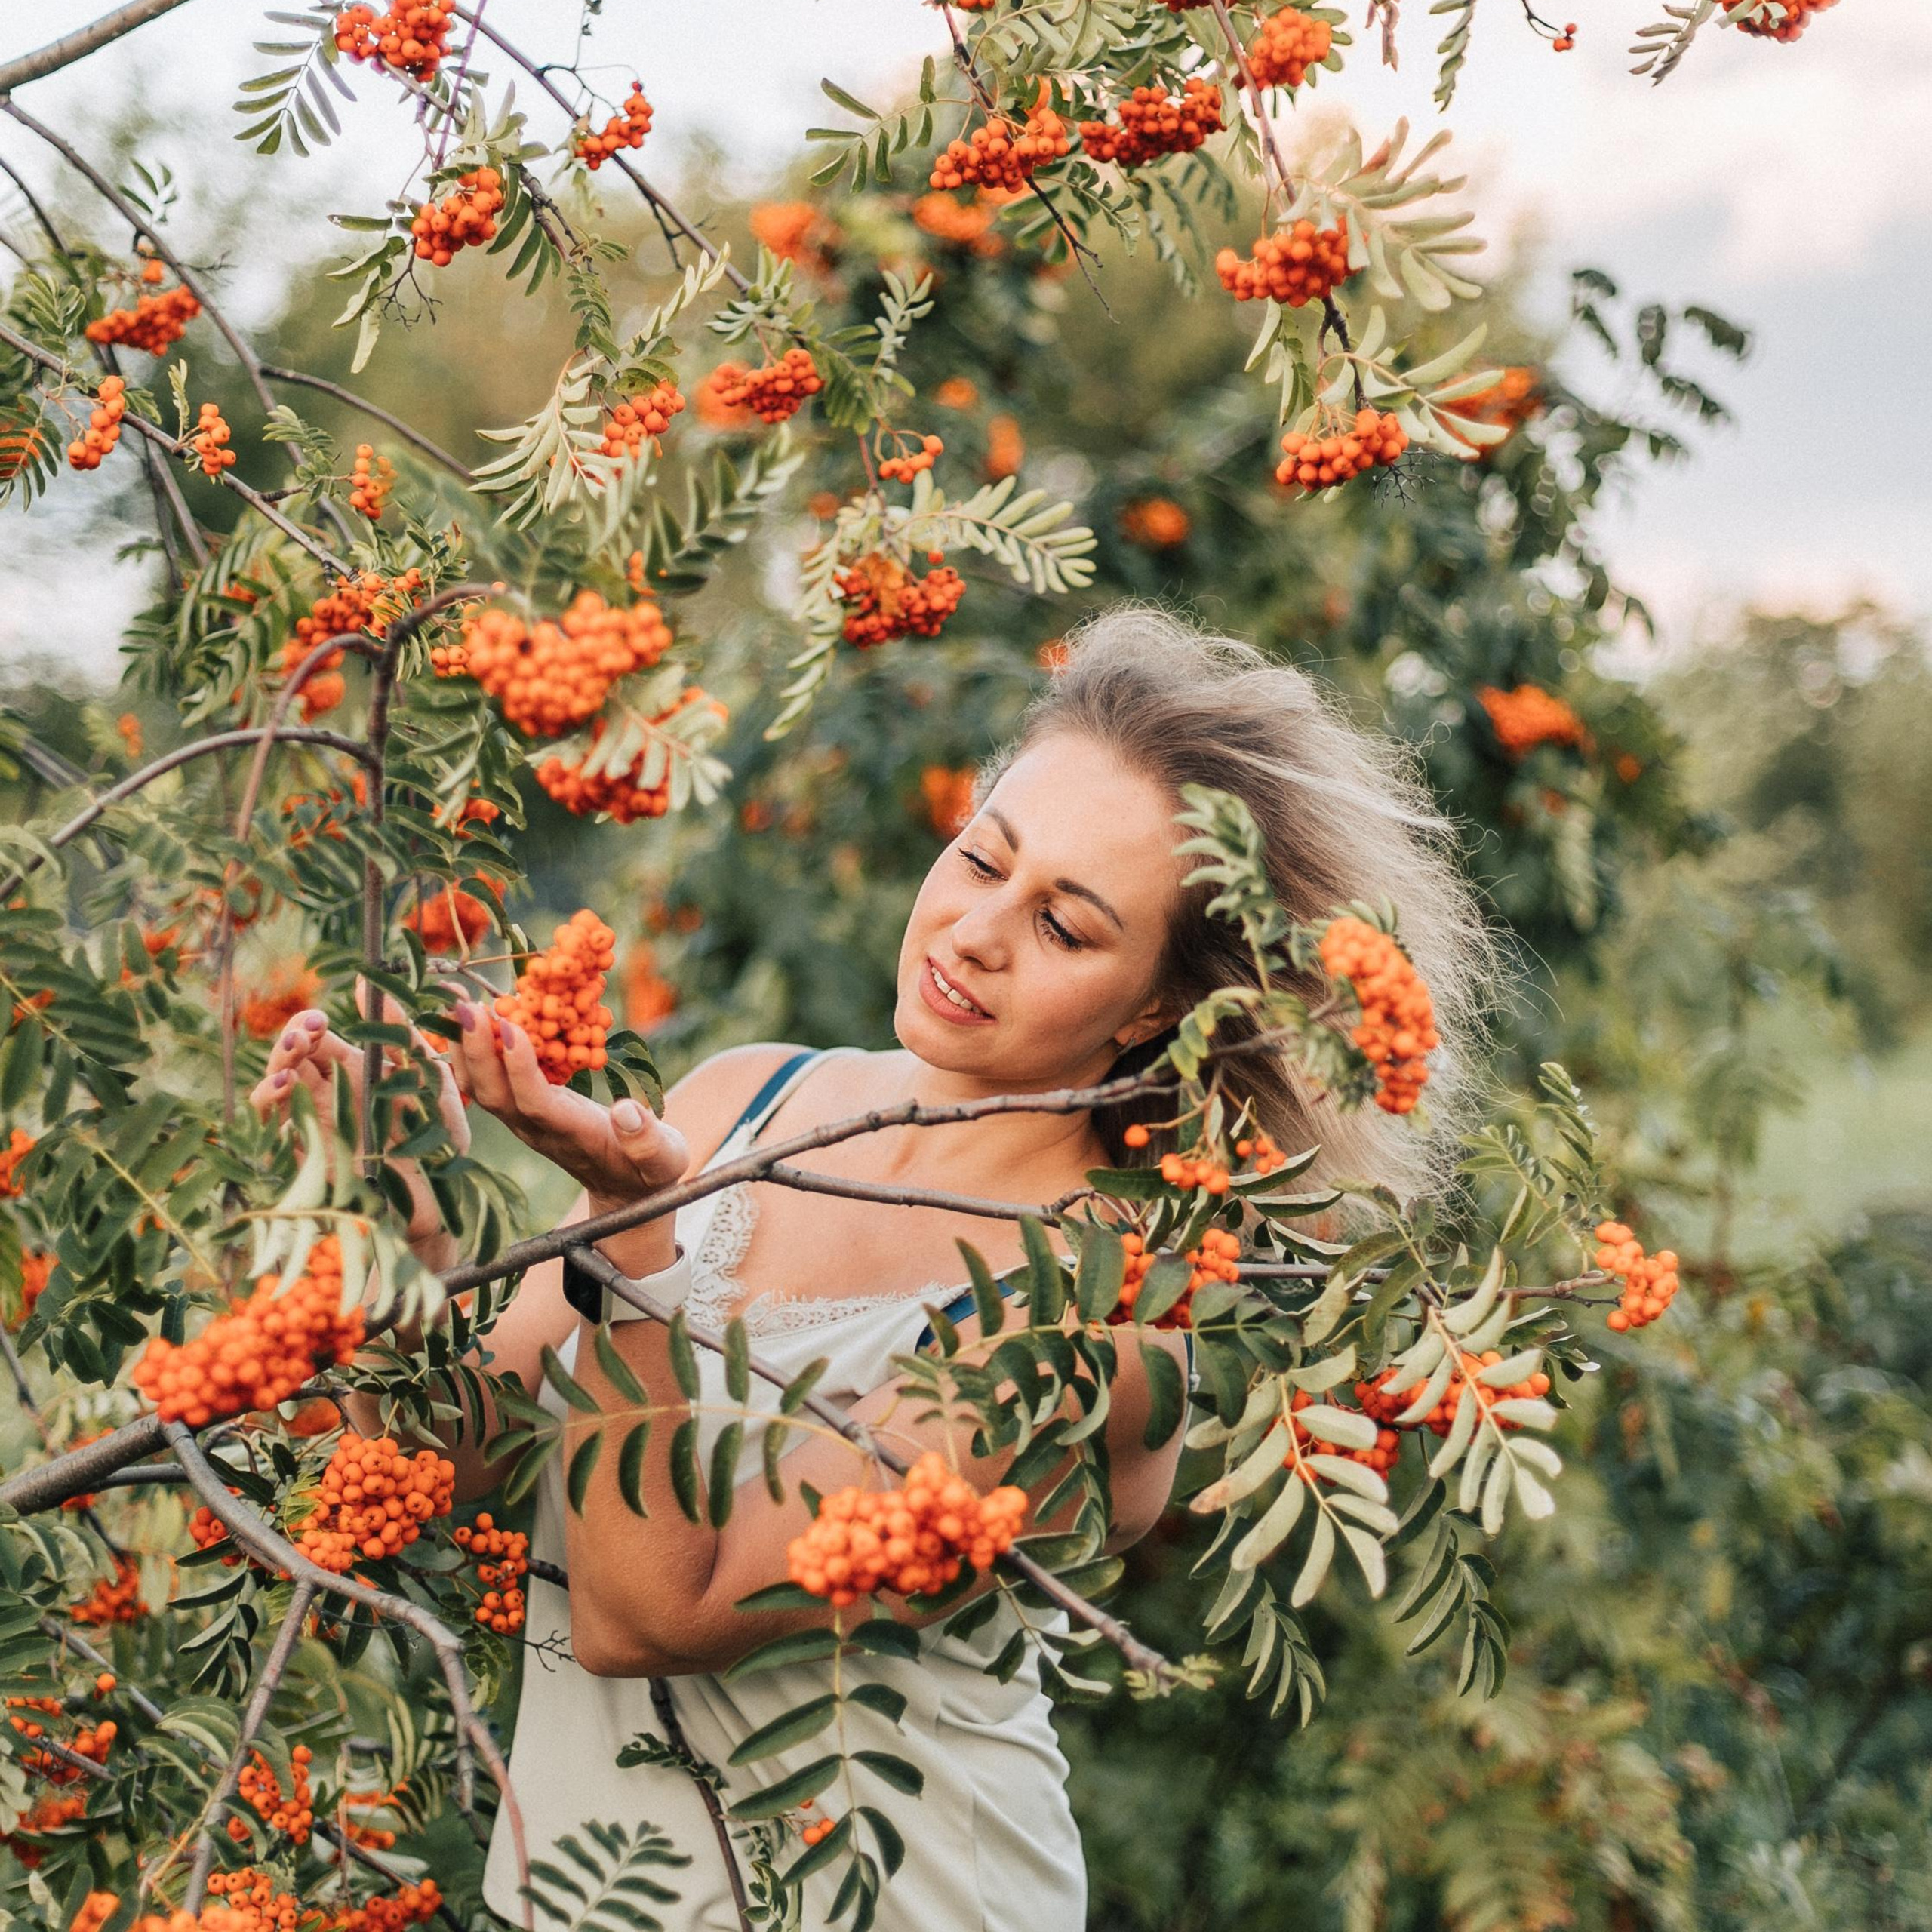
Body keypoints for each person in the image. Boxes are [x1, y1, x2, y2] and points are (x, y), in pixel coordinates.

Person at [251, 606, 1498, 1930]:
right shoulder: (738, 1102)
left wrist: (634, 1233)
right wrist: (400, 1223)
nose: (974, 933)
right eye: (981, 860)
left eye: (1066, 926)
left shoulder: (1115, 1307)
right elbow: (439, 1475)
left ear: (1157, 1011)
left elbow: (652, 1616)